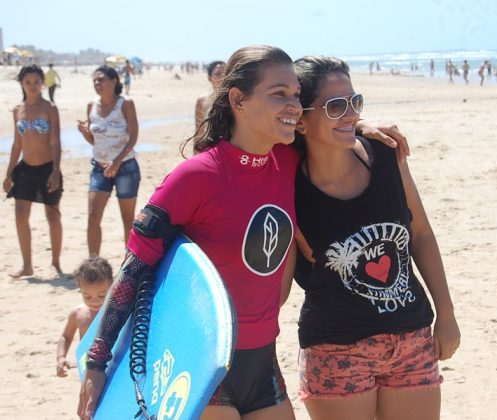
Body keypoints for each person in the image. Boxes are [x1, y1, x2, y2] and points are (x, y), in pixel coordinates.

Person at [77, 45, 407, 420]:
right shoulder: (196, 177)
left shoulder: (286, 160)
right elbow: (133, 269)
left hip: (263, 360)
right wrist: (96, 363)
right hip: (202, 363)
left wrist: (362, 127)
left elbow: (327, 128)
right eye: (279, 94)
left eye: (296, 95)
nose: (294, 106)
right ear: (238, 100)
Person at [287, 56, 460, 420]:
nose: (349, 114)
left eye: (355, 102)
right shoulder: (283, 183)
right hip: (336, 349)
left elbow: (422, 234)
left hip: (412, 337)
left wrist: (446, 313)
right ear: (300, 119)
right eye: (335, 106)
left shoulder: (385, 153)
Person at [3, 64, 63, 278]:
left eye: (37, 82)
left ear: (42, 83)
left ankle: (56, 263)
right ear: (22, 84)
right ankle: (27, 265)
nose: (33, 86)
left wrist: (55, 170)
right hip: (25, 170)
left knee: (53, 216)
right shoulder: (18, 110)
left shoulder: (49, 108)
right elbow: (17, 145)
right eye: (28, 82)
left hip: (47, 169)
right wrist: (8, 173)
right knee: (20, 215)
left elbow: (55, 141)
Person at [77, 65, 140, 256]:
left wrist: (117, 161)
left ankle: (129, 264)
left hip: (126, 166)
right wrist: (84, 133)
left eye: (101, 79)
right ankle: (93, 262)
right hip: (99, 167)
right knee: (92, 216)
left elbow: (133, 136)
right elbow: (94, 140)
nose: (97, 83)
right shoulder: (91, 105)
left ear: (114, 82)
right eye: (95, 80)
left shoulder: (125, 103)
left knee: (127, 219)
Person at [56, 256, 113, 377]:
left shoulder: (116, 312)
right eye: (87, 296)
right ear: (80, 289)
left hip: (113, 364)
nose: (94, 301)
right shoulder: (78, 315)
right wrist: (61, 357)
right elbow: (66, 337)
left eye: (102, 295)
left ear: (112, 286)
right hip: (89, 368)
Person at [194, 60, 226, 140]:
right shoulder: (202, 100)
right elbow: (199, 131)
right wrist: (197, 152)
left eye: (225, 73)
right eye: (217, 74)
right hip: (210, 147)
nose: (222, 77)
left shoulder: (236, 99)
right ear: (209, 78)